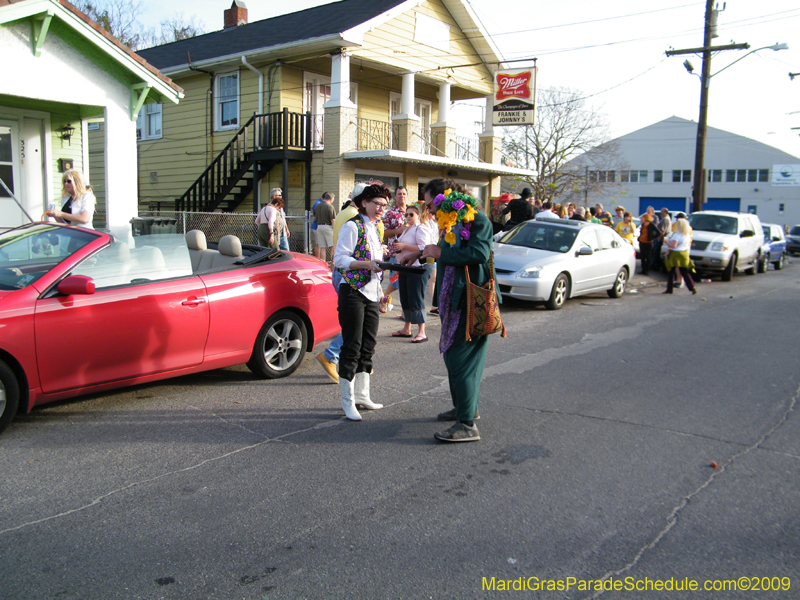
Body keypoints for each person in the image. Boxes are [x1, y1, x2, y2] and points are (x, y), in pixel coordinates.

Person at [399, 178, 494, 443]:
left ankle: (466, 424)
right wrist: (420, 254)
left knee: (460, 360)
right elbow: (446, 251)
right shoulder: (451, 221)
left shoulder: (477, 220)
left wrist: (437, 252)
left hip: (470, 300)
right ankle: (465, 408)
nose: (428, 211)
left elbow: (478, 252)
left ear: (446, 200)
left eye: (430, 205)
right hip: (455, 299)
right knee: (459, 360)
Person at [333, 183, 389, 421]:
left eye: (384, 205)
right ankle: (347, 401)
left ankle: (362, 395)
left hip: (372, 292)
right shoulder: (352, 225)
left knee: (368, 345)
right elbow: (339, 259)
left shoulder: (375, 226)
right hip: (353, 291)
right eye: (376, 203)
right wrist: (367, 264)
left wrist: (382, 252)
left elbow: (369, 253)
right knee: (351, 346)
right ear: (364, 203)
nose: (380, 209)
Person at [315, 186, 369, 384]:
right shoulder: (355, 217)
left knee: (355, 323)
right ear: (364, 200)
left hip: (340, 271)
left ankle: (362, 362)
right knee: (356, 325)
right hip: (351, 274)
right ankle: (331, 355)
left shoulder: (343, 213)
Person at [391, 205, 435, 343]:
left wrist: (404, 247)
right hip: (406, 267)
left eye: (411, 214)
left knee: (416, 298)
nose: (408, 217)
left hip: (418, 267)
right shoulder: (407, 229)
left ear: (418, 216)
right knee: (405, 297)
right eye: (407, 215)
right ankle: (406, 328)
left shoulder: (421, 228)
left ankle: (422, 331)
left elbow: (424, 248)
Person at [380, 186, 409, 313]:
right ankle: (384, 298)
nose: (402, 196)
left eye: (404, 194)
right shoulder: (390, 213)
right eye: (399, 194)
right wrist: (398, 231)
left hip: (410, 251)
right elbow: (384, 232)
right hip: (396, 252)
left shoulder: (411, 211)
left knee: (407, 282)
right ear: (395, 196)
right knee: (396, 281)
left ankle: (405, 311)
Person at [663, 217, 697, 295]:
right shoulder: (687, 235)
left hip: (675, 254)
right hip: (684, 254)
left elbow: (673, 245)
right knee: (684, 271)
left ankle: (669, 289)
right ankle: (691, 286)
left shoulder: (676, 235)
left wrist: (666, 242)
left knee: (671, 271)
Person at [313, 192, 336, 262]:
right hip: (327, 227)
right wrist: (335, 229)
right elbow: (333, 220)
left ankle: (324, 264)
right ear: (331, 199)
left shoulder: (318, 206)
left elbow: (314, 217)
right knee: (333, 247)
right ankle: (334, 264)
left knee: (323, 247)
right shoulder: (330, 206)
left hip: (319, 227)